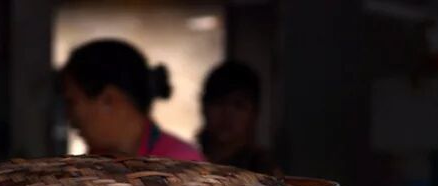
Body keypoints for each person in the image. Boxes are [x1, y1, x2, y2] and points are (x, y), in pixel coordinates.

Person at [62, 39, 204, 161]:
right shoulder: (94, 162)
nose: (68, 115)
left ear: (108, 100)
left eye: (71, 102)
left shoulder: (182, 164)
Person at [198, 61, 281, 175]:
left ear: (254, 113)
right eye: (219, 103)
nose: (227, 113)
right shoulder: (186, 157)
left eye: (239, 105)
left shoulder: (264, 171)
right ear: (204, 107)